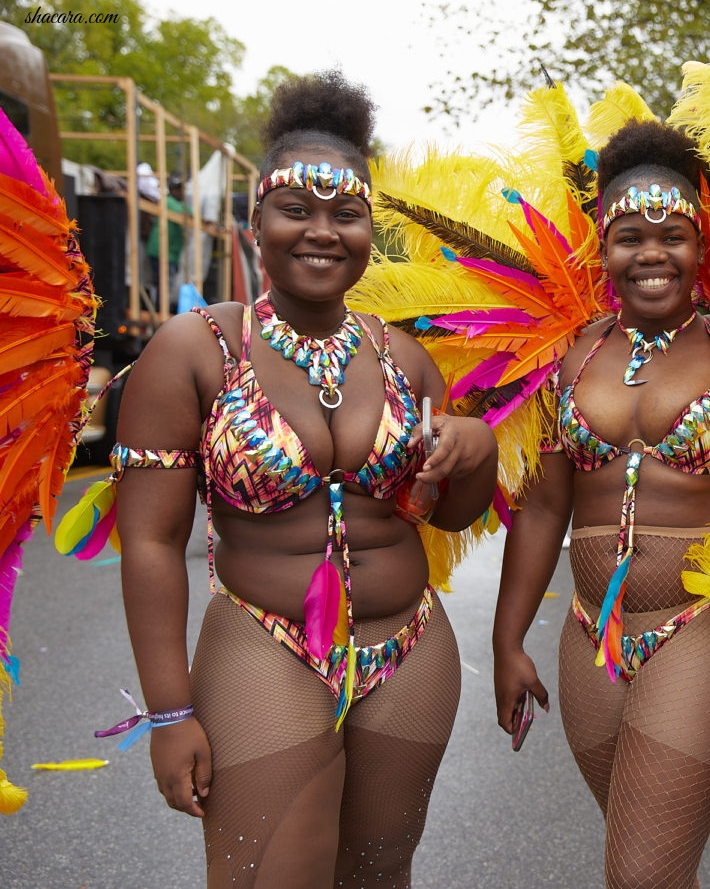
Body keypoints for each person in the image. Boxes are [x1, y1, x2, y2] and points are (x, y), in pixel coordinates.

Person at [100, 71, 498, 886]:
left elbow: (449, 512)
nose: (322, 231)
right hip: (262, 642)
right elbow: (148, 540)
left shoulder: (404, 356)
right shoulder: (195, 348)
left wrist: (477, 448)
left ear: (368, 227)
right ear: (255, 223)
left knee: (381, 872)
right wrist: (170, 712)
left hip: (410, 647)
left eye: (346, 213)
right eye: (296, 210)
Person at [490, 118, 710, 888]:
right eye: (630, 234)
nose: (653, 252)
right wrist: (507, 639)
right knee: (651, 861)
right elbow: (541, 507)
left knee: (640, 873)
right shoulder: (572, 353)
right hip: (589, 636)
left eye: (674, 234)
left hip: (700, 630)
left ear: (703, 246)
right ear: (602, 247)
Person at [146, 172, 187, 308]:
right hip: (161, 251)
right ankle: (161, 310)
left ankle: (161, 309)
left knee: (164, 284)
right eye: (179, 189)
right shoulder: (168, 201)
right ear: (173, 190)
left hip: (168, 253)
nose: (182, 192)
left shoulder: (176, 203)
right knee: (164, 285)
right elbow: (187, 213)